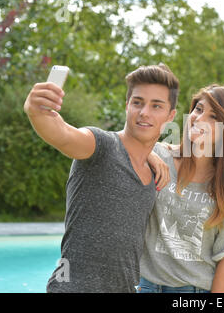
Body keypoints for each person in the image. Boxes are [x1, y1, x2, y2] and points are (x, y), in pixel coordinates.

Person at [23, 63, 179, 292]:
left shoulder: (153, 167)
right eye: (138, 102)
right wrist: (36, 111)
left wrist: (153, 155)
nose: (144, 112)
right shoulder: (101, 145)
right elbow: (64, 135)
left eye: (156, 106)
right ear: (127, 106)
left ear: (170, 116)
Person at [137, 84, 224, 293]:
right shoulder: (159, 157)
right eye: (198, 109)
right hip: (147, 285)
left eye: (214, 117)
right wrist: (145, 152)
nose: (199, 119)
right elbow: (117, 144)